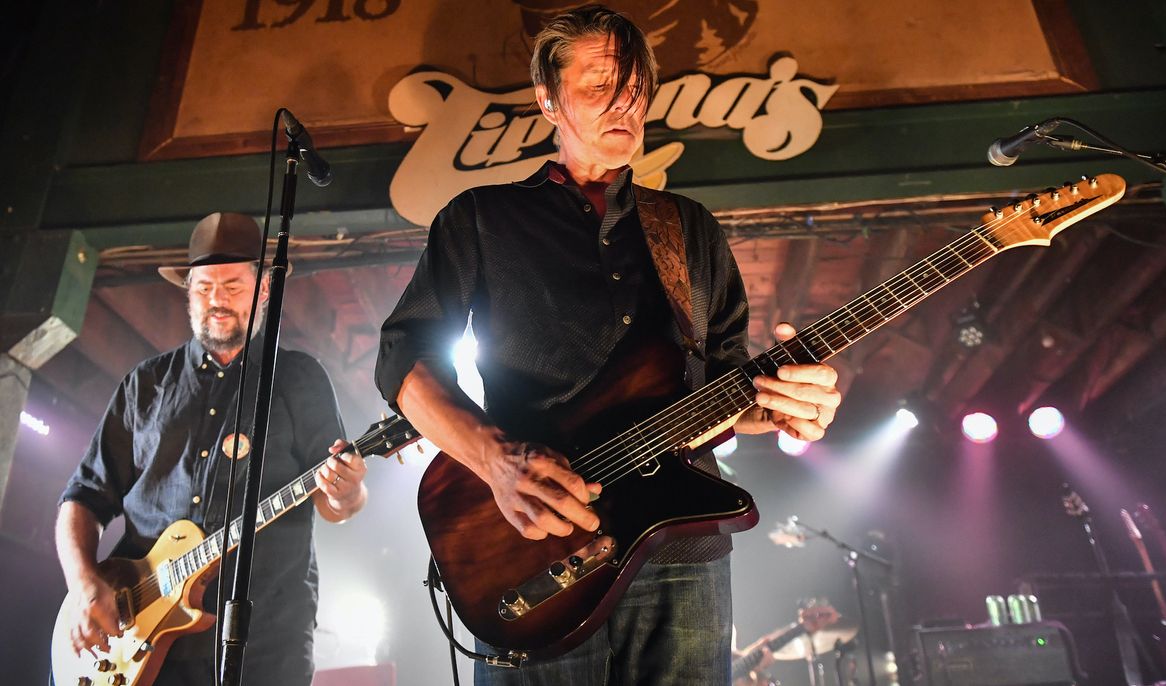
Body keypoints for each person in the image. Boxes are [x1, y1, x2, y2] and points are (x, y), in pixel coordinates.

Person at [375, 5, 841, 684]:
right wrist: (495, 461)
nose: (623, 105)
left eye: (634, 91)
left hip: (683, 551)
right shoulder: (481, 219)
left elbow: (728, 387)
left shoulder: (689, 228)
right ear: (548, 100)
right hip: (536, 547)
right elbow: (402, 358)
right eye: (599, 87)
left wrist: (789, 407)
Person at [55, 212, 369, 685]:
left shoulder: (300, 378)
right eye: (202, 288)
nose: (216, 300)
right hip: (136, 633)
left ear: (264, 290)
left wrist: (347, 493)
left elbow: (337, 503)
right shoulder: (146, 384)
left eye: (232, 286)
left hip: (267, 641)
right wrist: (83, 583)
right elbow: (82, 497)